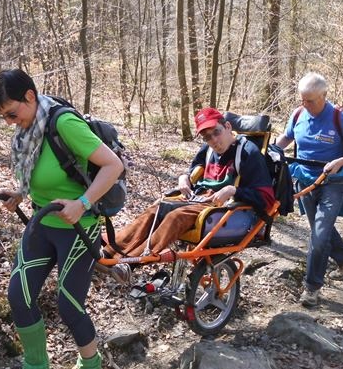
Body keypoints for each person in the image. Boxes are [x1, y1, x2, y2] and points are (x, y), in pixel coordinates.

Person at [0, 69, 124, 369]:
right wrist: (20, 195)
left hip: (79, 228)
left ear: (30, 97)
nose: (9, 122)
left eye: (11, 113)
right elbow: (38, 175)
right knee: (19, 296)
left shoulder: (63, 123)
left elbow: (113, 166)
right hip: (43, 223)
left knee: (69, 304)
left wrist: (82, 202)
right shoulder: (25, 133)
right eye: (3, 117)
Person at [105, 107, 275, 267]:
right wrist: (184, 178)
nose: (214, 140)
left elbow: (266, 199)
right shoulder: (207, 150)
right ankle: (109, 251)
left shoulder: (249, 152)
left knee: (175, 217)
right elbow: (195, 169)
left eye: (216, 132)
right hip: (198, 198)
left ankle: (131, 262)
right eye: (207, 137)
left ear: (227, 126)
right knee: (156, 209)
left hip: (223, 207)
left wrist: (234, 190)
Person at [276, 72, 343, 307]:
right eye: (302, 99)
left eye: (311, 100)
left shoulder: (341, 118)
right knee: (321, 230)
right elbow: (285, 138)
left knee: (318, 235)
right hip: (304, 181)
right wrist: (268, 151)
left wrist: (340, 162)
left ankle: (311, 288)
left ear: (324, 96)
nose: (305, 105)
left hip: (334, 182)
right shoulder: (298, 115)